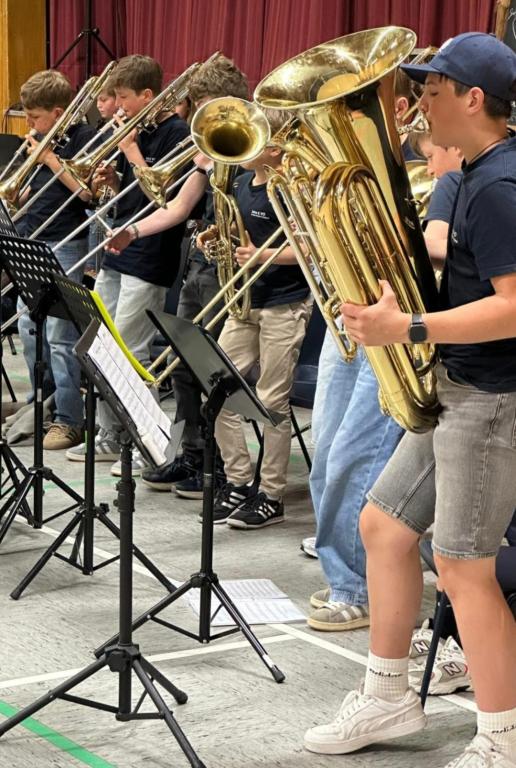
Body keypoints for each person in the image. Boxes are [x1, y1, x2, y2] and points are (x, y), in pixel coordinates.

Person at [306, 33, 516, 767]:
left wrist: (408, 326)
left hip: (494, 401)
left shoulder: (498, 187)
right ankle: (390, 696)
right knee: (384, 527)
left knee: (464, 569)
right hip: (459, 388)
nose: (417, 101)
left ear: (472, 99)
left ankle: (502, 737)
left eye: (431, 90)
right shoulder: (480, 174)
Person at [305, 70, 422, 629]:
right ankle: (342, 573)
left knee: (358, 454)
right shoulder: (347, 174)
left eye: (355, 109)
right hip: (347, 315)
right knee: (327, 450)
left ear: (396, 108)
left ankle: (354, 586)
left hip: (395, 324)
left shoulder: (430, 169)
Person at [109, 55, 250, 496]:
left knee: (212, 370)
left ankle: (221, 466)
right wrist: (132, 229)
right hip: (200, 267)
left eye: (208, 106)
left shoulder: (249, 146)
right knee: (184, 367)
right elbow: (178, 208)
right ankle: (192, 455)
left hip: (234, 275)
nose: (200, 118)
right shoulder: (205, 154)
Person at [66, 54, 190, 475]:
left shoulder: (176, 133)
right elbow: (130, 191)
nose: (116, 106)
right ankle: (109, 435)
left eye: (122, 97)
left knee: (132, 354)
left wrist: (132, 151)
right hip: (116, 250)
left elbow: (166, 197)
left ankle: (146, 442)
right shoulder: (133, 129)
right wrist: (110, 179)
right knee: (100, 345)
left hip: (151, 255)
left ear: (147, 96)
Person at [203, 108, 311, 529]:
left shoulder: (288, 189)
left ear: (277, 146)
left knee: (270, 401)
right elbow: (239, 236)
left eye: (257, 138)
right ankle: (237, 481)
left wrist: (262, 256)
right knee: (217, 389)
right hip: (245, 304)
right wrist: (215, 238)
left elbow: (308, 248)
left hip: (285, 304)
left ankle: (271, 495)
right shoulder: (243, 185)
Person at [16, 70, 95, 450]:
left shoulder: (82, 139)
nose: (29, 125)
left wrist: (48, 158)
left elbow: (86, 193)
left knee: (61, 337)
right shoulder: (42, 139)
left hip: (66, 243)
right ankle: (40, 405)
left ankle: (69, 419)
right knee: (29, 331)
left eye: (34, 117)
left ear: (59, 112)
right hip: (32, 238)